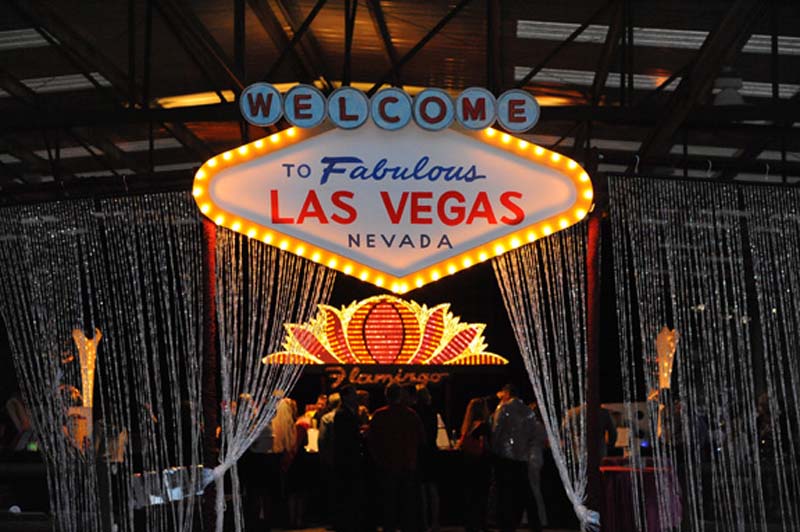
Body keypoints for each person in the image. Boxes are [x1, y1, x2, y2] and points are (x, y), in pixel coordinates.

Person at [367, 383, 426, 532]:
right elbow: (421, 440)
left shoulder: (379, 415)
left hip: (386, 466)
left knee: (389, 505)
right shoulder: (411, 414)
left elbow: (371, 440)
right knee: (407, 505)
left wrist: (377, 459)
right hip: (407, 465)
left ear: (386, 396)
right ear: (400, 396)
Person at [491, 384, 541, 532]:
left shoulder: (503, 409)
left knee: (504, 493)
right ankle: (533, 523)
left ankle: (506, 524)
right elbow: (533, 436)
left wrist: (494, 450)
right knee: (525, 493)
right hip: (522, 458)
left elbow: (496, 431)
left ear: (507, 393)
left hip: (504, 457)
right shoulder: (528, 412)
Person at [333, 386, 365, 532]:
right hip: (347, 461)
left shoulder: (347, 412)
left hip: (347, 460)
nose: (356, 397)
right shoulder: (342, 414)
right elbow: (346, 439)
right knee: (348, 493)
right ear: (346, 397)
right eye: (353, 394)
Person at [457, 397, 491, 532]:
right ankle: (481, 523)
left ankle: (470, 524)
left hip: (468, 463)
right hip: (481, 464)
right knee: (481, 495)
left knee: (470, 495)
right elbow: (486, 446)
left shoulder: (467, 427)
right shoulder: (483, 425)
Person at [415, 385, 440, 532]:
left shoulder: (416, 412)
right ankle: (435, 522)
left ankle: (424, 522)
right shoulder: (432, 412)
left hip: (420, 452)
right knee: (432, 489)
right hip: (432, 451)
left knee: (422, 489)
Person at [527, 402, 548, 527]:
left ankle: (535, 518)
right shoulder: (540, 426)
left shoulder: (528, 426)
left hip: (530, 457)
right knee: (535, 487)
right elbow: (545, 443)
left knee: (532, 489)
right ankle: (540, 518)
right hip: (538, 457)